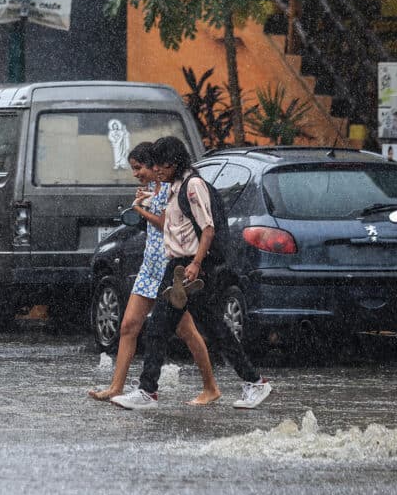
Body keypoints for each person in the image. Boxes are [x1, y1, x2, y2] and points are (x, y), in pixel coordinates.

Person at [111, 136, 272, 410]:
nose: (156, 170)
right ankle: (148, 391)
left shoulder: (193, 185)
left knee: (186, 327)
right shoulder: (175, 187)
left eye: (161, 165)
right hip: (177, 268)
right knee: (182, 327)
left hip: (190, 268)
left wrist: (196, 264)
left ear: (173, 163)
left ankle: (252, 382)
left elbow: (207, 228)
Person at [88, 142, 221, 405]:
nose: (137, 174)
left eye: (140, 168)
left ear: (154, 166)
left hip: (169, 269)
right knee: (128, 326)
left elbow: (165, 226)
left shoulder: (172, 189)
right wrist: (144, 202)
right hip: (149, 268)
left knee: (186, 331)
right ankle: (116, 387)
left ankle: (210, 386)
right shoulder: (152, 189)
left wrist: (140, 211)